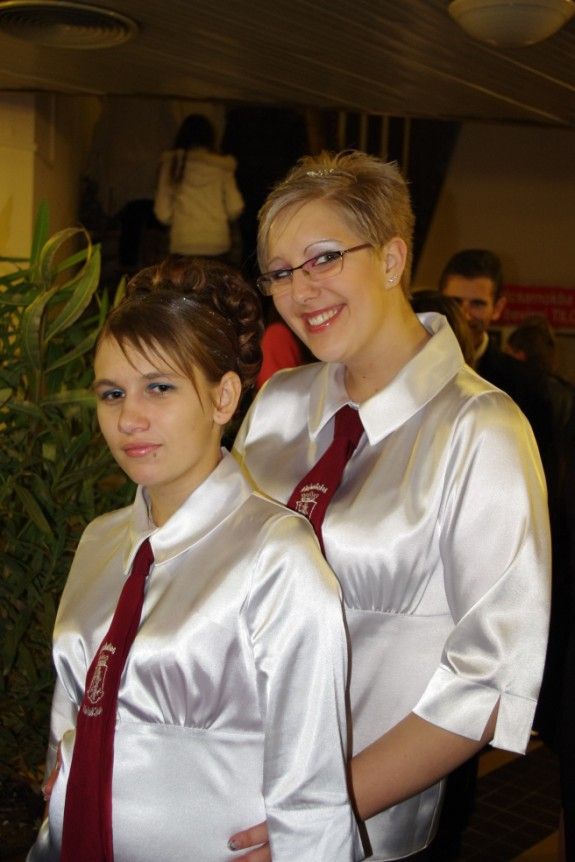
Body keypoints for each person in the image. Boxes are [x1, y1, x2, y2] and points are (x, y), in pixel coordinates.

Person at [230, 150, 551, 861]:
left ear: (391, 257)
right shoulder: (280, 404)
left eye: (323, 258)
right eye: (279, 272)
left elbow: (488, 679)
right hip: (226, 788)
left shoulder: (480, 430)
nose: (300, 290)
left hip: (363, 826)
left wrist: (316, 811)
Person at [27, 257, 363, 862]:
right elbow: (67, 721)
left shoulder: (275, 556)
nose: (129, 418)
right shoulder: (101, 541)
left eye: (159, 387)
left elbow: (314, 786)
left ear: (223, 397)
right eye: (111, 393)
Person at [154, 114, 244, 259]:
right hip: (217, 242)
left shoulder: (173, 163)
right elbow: (235, 207)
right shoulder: (222, 166)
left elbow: (162, 213)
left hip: (183, 243)